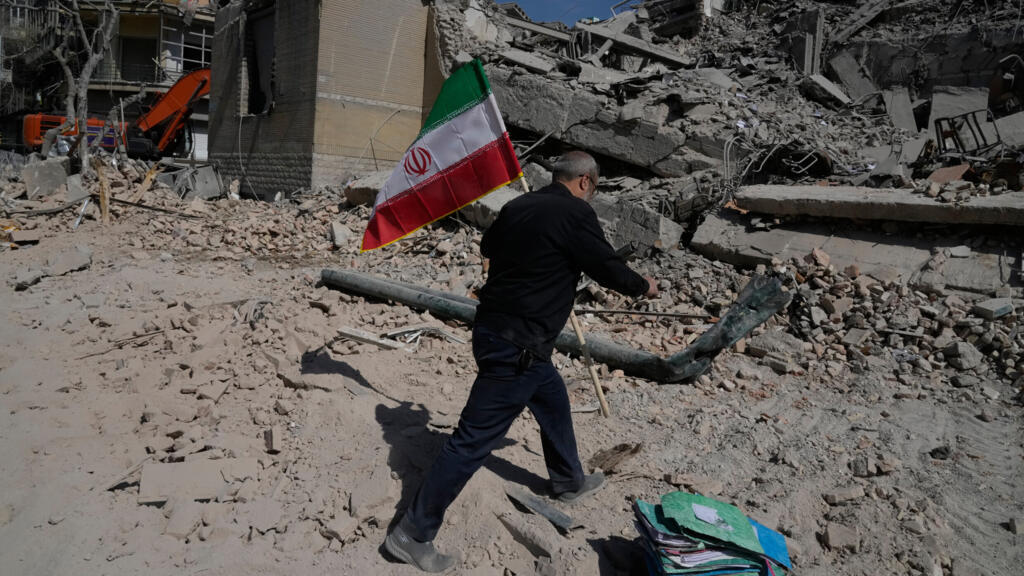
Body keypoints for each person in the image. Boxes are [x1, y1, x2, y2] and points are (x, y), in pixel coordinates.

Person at [384, 151, 659, 572]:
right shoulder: (575, 213)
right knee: (471, 441)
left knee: (551, 395)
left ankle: (569, 480)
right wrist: (642, 287)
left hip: (494, 332)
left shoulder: (518, 205)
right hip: (519, 345)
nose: (591, 194)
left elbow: (489, 246)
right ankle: (412, 533)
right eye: (594, 187)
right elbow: (606, 266)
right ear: (585, 181)